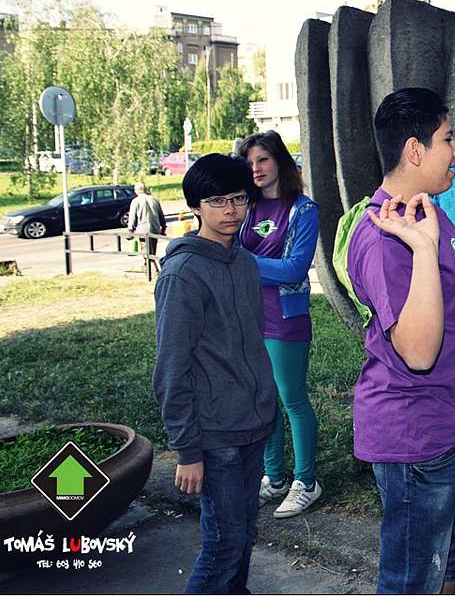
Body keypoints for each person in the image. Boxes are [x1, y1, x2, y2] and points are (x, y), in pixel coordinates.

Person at [346, 88, 455, 594]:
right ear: (414, 150)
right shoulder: (384, 237)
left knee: (452, 570)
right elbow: (419, 352)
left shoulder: (426, 209)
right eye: (448, 139)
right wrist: (425, 252)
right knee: (412, 584)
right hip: (419, 442)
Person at [152, 153, 278, 594]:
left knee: (243, 535)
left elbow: (252, 343)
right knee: (224, 544)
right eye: (217, 201)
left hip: (254, 424)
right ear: (196, 206)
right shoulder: (183, 274)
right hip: (215, 433)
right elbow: (172, 368)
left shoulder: (244, 263)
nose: (230, 211)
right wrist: (188, 451)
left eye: (238, 199)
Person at [237, 131, 322, 519]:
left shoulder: (303, 210)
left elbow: (294, 269)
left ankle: (306, 482)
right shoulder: (246, 207)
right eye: (250, 162)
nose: (256, 168)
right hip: (250, 315)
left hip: (286, 318)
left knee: (292, 398)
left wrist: (242, 262)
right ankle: (273, 478)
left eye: (263, 160)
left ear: (280, 162)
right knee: (264, 399)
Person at [127, 181, 167, 256]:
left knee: (146, 252)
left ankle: (150, 263)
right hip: (154, 229)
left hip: (142, 230)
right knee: (153, 251)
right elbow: (161, 215)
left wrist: (130, 230)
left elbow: (132, 217)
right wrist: (163, 227)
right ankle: (150, 262)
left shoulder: (135, 201)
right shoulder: (154, 199)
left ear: (137, 190)